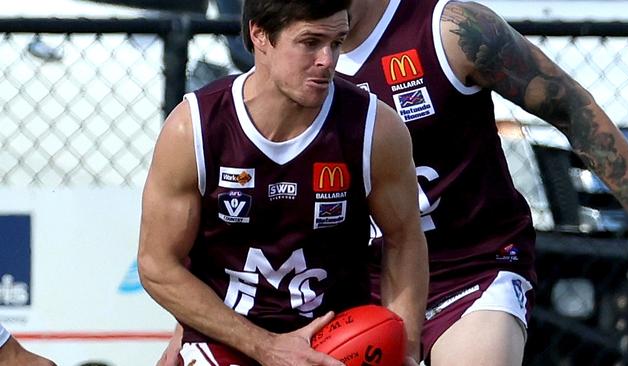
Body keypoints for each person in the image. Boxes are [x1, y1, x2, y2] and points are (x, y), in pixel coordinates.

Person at [333, 0, 628, 365]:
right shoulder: (293, 51)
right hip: (360, 282)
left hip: (469, 270)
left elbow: (571, 107)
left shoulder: (450, 30)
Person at [137, 0, 428, 365]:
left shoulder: (374, 128)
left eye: (336, 42)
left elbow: (404, 240)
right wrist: (266, 347)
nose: (327, 60)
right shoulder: (194, 127)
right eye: (310, 42)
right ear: (259, 34)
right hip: (228, 334)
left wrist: (407, 346)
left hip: (334, 335)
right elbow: (157, 265)